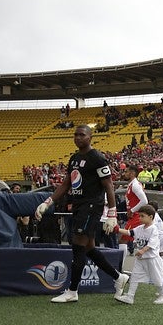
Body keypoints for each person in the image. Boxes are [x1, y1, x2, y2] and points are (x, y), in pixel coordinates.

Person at [34, 125, 129, 303]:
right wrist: (48, 202)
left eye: (82, 135)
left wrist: (112, 213)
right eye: (76, 134)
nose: (78, 137)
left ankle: (72, 291)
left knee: (77, 245)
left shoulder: (97, 158)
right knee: (88, 248)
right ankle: (118, 277)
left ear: (90, 137)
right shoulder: (74, 158)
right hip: (78, 206)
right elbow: (66, 184)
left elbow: (109, 185)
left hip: (91, 206)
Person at [114, 205, 163, 305]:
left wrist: (143, 250)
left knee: (157, 278)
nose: (140, 218)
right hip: (140, 259)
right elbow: (129, 232)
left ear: (151, 217)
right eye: (139, 216)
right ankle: (130, 296)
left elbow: (152, 244)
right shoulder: (140, 228)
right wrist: (117, 229)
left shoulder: (153, 229)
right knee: (134, 277)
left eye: (142, 216)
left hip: (152, 259)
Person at [119, 165, 149, 254]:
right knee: (136, 240)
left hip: (136, 216)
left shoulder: (135, 185)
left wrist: (132, 210)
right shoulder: (131, 184)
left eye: (126, 172)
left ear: (132, 173)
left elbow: (144, 201)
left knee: (123, 240)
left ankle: (120, 262)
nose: (124, 174)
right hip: (134, 216)